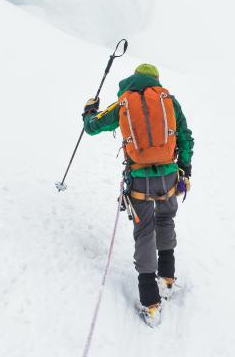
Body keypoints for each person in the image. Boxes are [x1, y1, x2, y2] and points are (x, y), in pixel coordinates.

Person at [82, 63, 194, 326]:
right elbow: (185, 136)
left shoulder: (124, 102)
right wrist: (185, 167)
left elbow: (93, 126)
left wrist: (89, 111)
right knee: (166, 220)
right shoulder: (169, 101)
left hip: (140, 179)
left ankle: (151, 303)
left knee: (144, 232)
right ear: (155, 79)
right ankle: (167, 279)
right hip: (168, 176)